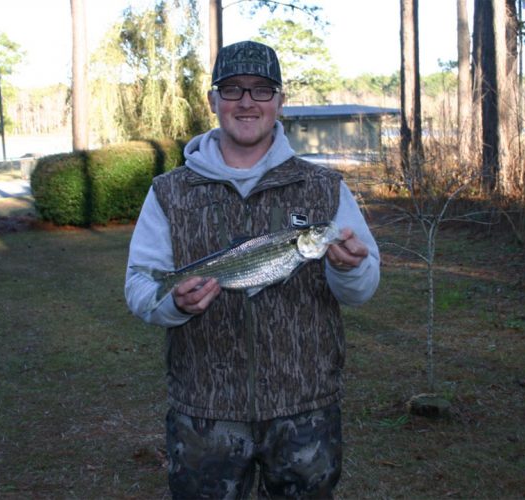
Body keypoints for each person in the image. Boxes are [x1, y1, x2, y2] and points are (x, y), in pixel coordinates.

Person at [125, 40, 380, 499]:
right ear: (213, 101)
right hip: (204, 413)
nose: (247, 102)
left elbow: (363, 285)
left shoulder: (325, 188)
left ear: (280, 101)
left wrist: (348, 268)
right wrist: (173, 303)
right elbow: (141, 285)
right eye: (233, 89)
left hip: (306, 409)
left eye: (262, 90)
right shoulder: (169, 191)